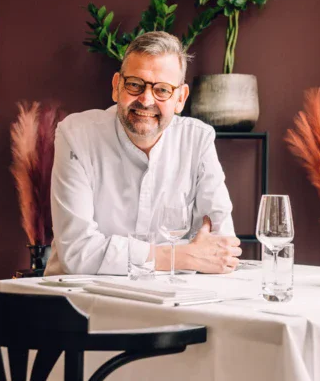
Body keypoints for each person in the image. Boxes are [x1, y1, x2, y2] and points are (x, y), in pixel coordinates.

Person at [43, 31, 241, 276]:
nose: (146, 100)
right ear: (117, 87)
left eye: (162, 90)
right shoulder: (76, 135)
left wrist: (122, 255)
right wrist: (183, 255)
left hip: (168, 304)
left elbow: (221, 249)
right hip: (80, 303)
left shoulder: (198, 140)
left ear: (180, 98)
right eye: (135, 84)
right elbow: (78, 252)